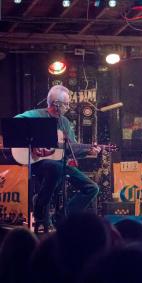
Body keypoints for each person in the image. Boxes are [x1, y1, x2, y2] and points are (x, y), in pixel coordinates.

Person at [15, 85, 101, 230]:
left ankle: (61, 217)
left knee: (92, 188)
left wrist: (88, 151)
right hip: (38, 162)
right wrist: (35, 141)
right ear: (56, 104)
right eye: (66, 104)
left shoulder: (65, 122)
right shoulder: (36, 115)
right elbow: (15, 122)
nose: (68, 107)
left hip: (60, 164)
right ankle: (40, 211)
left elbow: (70, 148)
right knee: (55, 168)